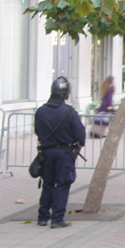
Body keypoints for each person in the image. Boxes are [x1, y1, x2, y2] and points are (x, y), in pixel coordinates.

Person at [36, 77, 86, 228]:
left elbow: (37, 131)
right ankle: (57, 218)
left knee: (48, 184)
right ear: (65, 94)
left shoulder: (41, 111)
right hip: (64, 153)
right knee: (63, 185)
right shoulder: (69, 112)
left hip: (46, 153)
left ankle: (43, 217)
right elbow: (80, 134)